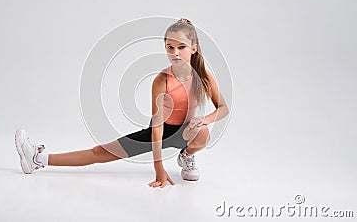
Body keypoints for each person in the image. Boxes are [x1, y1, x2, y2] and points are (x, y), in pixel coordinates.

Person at [15, 18, 229, 188]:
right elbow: (156, 129)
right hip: (159, 132)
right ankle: (38, 158)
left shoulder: (203, 75)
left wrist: (204, 119)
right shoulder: (162, 81)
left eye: (181, 47)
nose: (174, 53)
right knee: (98, 153)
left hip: (186, 133)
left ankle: (186, 156)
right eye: (169, 47)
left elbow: (223, 109)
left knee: (203, 133)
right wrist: (159, 168)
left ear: (193, 48)